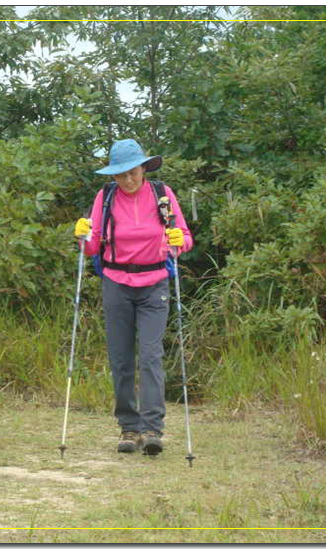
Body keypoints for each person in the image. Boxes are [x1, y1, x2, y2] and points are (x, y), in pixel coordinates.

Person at [74, 138, 193, 455]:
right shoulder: (106, 197)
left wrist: (179, 241)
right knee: (121, 358)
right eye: (121, 174)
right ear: (113, 176)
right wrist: (83, 234)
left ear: (144, 168)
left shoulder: (162, 195)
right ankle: (128, 427)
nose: (128, 180)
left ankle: (153, 428)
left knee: (151, 356)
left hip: (155, 284)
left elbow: (183, 238)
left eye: (133, 172)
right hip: (116, 284)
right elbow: (92, 246)